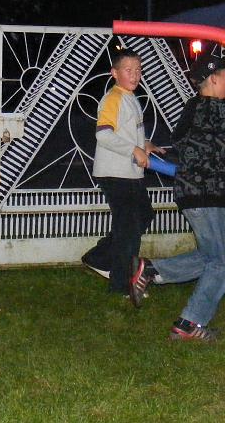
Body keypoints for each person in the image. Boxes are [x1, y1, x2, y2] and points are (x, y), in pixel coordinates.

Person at [128, 43, 225, 341]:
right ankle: (189, 323)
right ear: (212, 79)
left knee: (209, 257)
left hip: (201, 192)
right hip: (203, 194)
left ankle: (151, 270)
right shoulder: (206, 107)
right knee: (221, 263)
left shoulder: (199, 111)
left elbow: (206, 151)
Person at [81, 47, 165, 295]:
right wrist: (133, 150)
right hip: (115, 173)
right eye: (128, 70)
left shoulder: (131, 97)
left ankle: (98, 257)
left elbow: (126, 132)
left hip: (130, 173)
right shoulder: (113, 98)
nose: (135, 75)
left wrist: (144, 144)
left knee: (142, 216)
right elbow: (104, 134)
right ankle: (122, 284)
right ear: (114, 73)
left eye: (138, 70)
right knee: (129, 230)